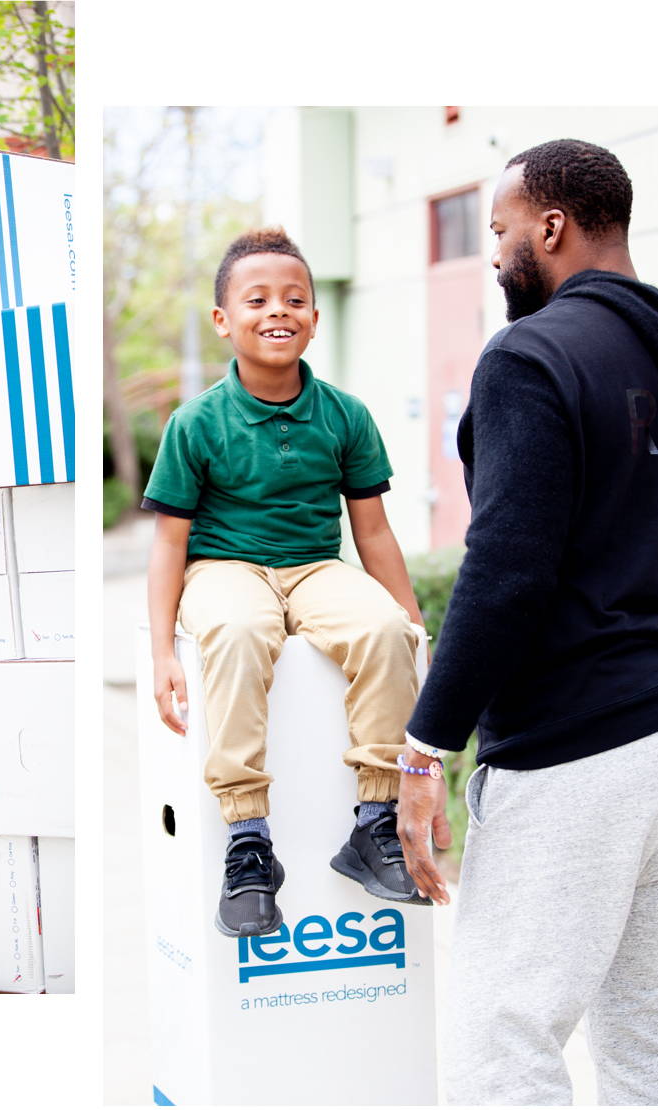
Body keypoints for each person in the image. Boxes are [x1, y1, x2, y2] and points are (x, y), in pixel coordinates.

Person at [393, 139, 658, 1104]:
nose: (494, 252)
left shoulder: (530, 356)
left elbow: (507, 570)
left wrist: (426, 746)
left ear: (551, 227)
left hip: (587, 748)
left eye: (503, 230)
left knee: (501, 1032)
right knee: (645, 1021)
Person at [144, 227, 429, 938]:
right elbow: (169, 543)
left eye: (295, 298)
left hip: (316, 567)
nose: (279, 310)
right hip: (224, 567)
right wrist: (160, 653)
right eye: (258, 299)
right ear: (223, 320)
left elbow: (373, 533)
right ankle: (248, 841)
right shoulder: (197, 422)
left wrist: (414, 626)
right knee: (239, 632)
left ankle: (374, 822)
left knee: (384, 629)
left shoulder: (344, 415)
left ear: (314, 315)